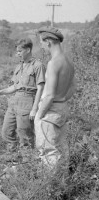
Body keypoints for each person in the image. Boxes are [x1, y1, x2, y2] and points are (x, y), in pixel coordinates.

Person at [0, 38, 46, 151]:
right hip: (14, 102)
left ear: (28, 50)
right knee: (6, 132)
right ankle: (12, 157)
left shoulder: (38, 65)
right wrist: (0, 92)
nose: (17, 54)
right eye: (17, 51)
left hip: (27, 102)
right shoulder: (19, 66)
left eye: (20, 51)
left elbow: (40, 88)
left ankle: (26, 162)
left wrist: (34, 109)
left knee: (24, 135)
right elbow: (15, 87)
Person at [35, 26, 76, 170]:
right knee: (62, 151)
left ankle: (50, 188)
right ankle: (63, 184)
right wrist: (62, 99)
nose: (41, 45)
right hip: (62, 108)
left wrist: (39, 116)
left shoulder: (53, 63)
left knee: (48, 152)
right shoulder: (69, 63)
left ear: (48, 42)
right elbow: (72, 88)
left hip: (50, 111)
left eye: (41, 42)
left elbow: (49, 95)